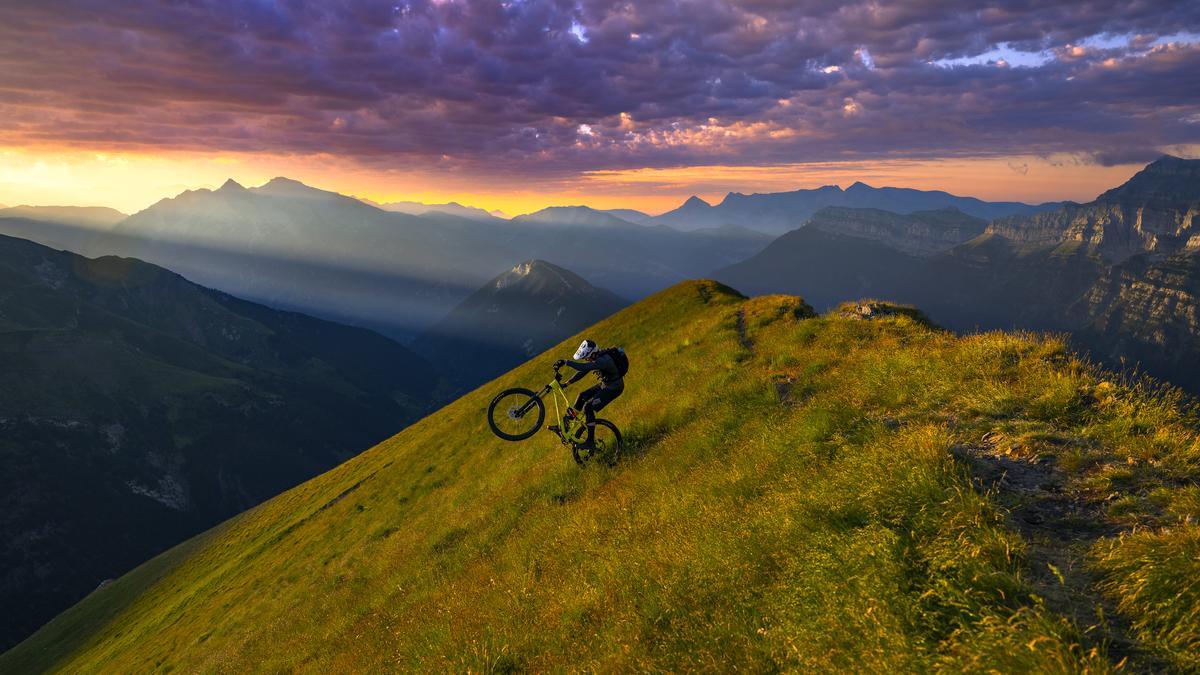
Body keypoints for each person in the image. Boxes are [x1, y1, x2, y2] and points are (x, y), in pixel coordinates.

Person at [554, 338, 624, 449]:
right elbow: (583, 372)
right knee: (582, 396)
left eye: (587, 357)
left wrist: (566, 362)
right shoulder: (596, 358)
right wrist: (566, 384)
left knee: (588, 407)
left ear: (593, 354)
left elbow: (584, 367)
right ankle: (568, 423)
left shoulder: (603, 360)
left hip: (614, 388)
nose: (586, 359)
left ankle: (590, 441)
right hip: (606, 384)